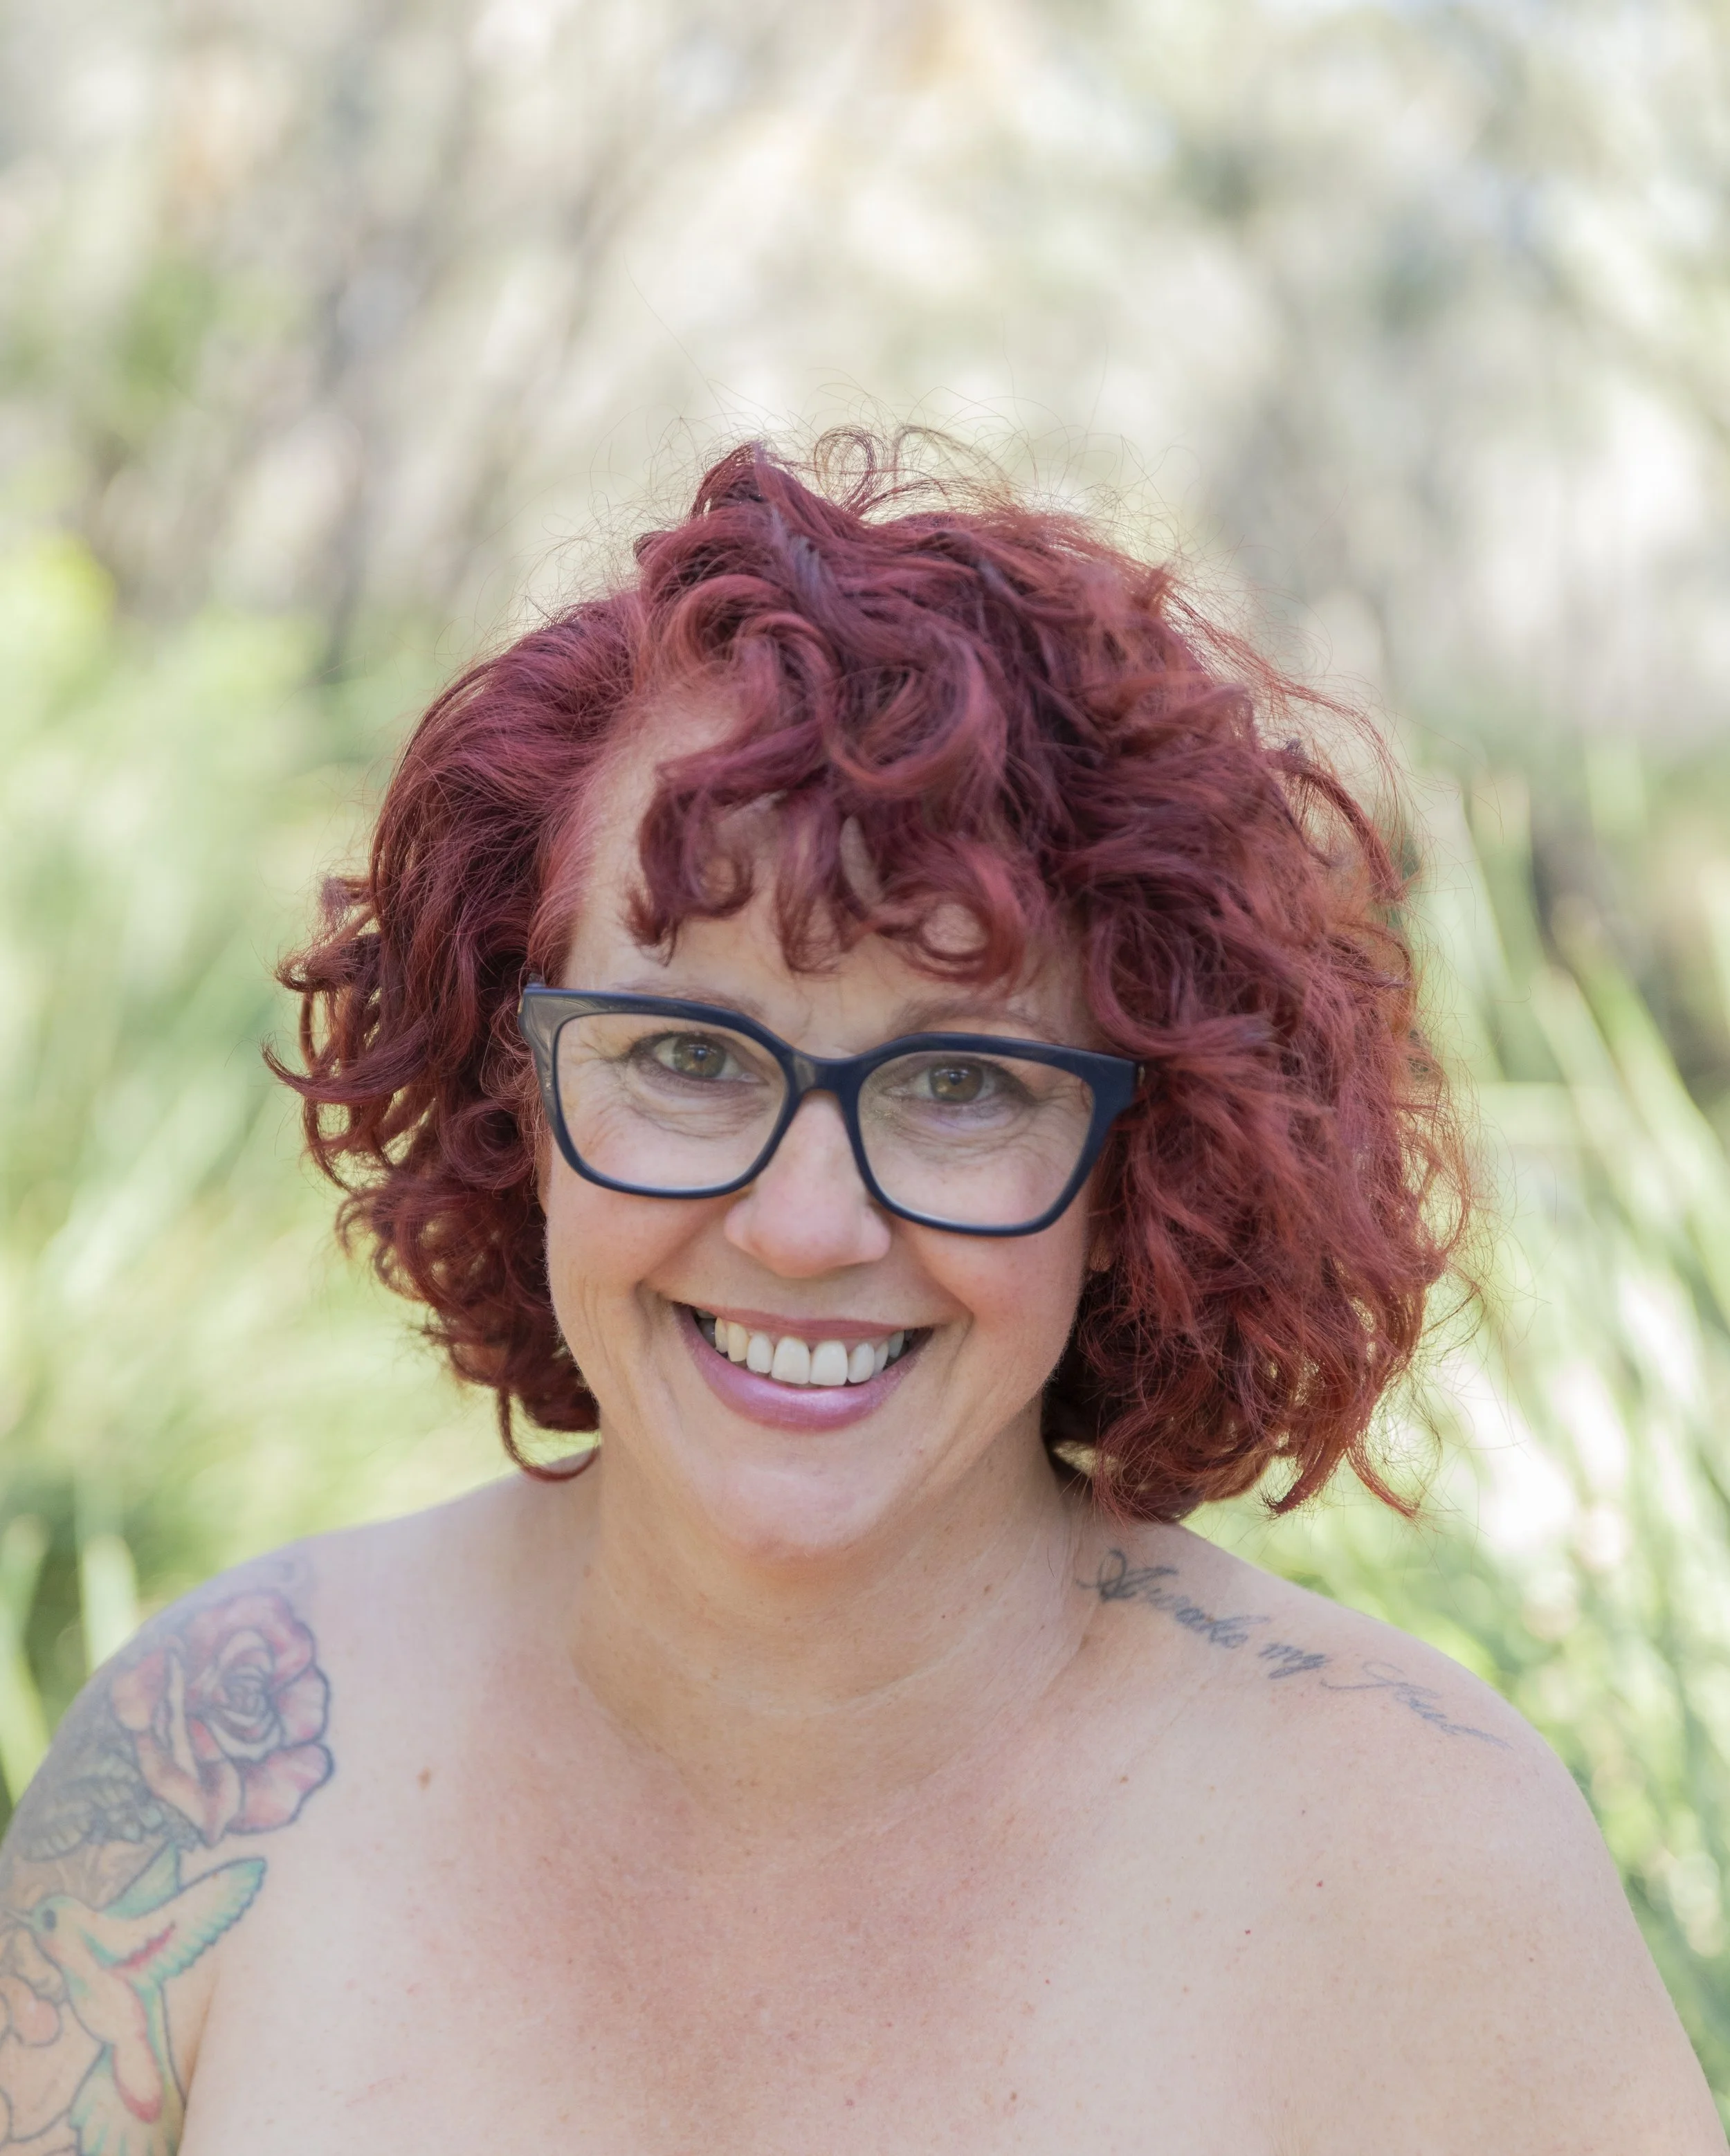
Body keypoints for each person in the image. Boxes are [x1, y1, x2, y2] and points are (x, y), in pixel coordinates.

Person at [0, 436, 1720, 2156]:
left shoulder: (1423, 1864)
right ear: (513, 1100)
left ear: (1139, 1166)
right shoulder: (204, 1781)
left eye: (959, 1081)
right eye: (680, 1053)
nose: (805, 1222)